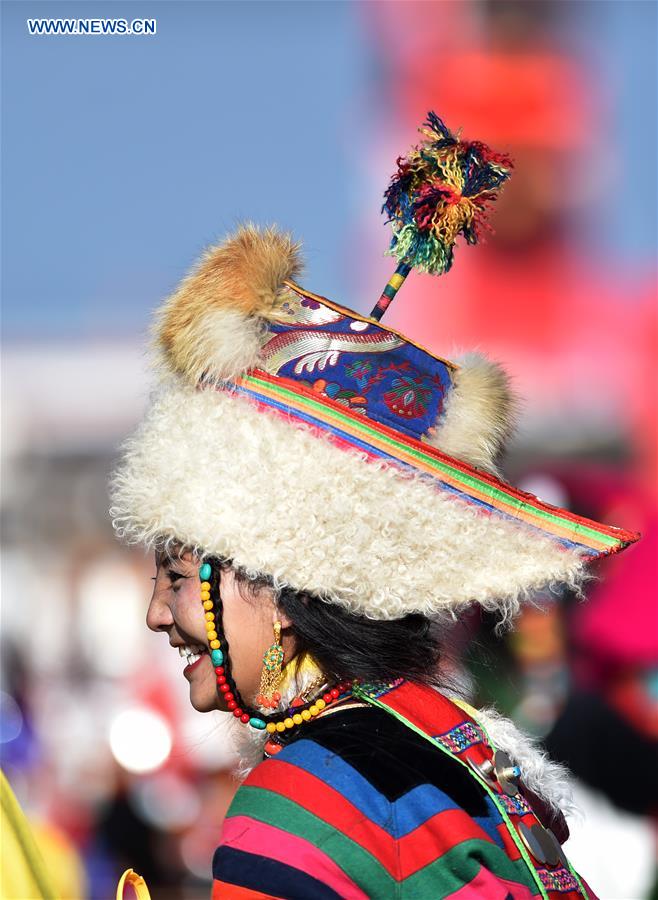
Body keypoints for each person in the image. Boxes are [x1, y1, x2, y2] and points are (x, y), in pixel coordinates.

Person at [110, 185, 638, 896]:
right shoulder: (459, 748)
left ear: (277, 582)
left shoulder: (306, 802)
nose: (157, 615)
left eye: (177, 578)